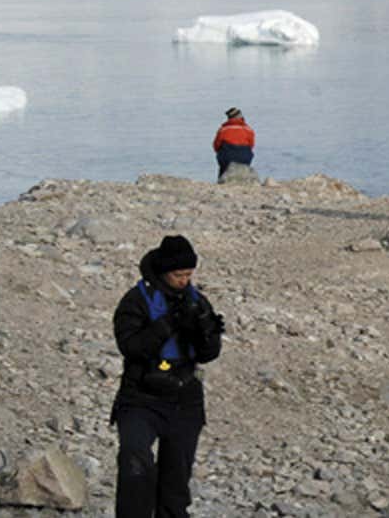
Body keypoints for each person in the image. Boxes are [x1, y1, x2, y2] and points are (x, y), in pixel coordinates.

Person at [112, 235, 225, 518]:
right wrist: (167, 324)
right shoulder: (136, 300)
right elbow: (130, 346)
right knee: (135, 465)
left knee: (175, 482)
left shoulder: (197, 301)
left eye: (189, 274)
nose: (184, 280)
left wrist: (205, 331)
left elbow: (208, 354)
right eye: (179, 275)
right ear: (164, 271)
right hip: (141, 398)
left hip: (185, 400)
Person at [211, 108, 254, 179]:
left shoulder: (223, 130)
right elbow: (251, 145)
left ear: (228, 118)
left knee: (223, 163)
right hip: (244, 158)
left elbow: (216, 146)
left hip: (227, 159)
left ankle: (221, 178)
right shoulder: (248, 130)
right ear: (241, 118)